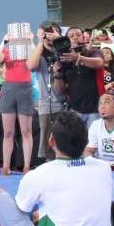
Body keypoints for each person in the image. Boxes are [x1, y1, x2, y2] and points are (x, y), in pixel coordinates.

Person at [0, 32, 35, 174]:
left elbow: (35, 63)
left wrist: (31, 41)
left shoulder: (29, 50)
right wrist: (3, 41)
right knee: (8, 132)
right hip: (9, 88)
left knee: (26, 131)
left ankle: (27, 166)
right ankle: (6, 166)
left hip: (25, 88)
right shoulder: (7, 50)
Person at [27, 22, 68, 163]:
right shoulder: (39, 52)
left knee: (66, 142)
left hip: (67, 102)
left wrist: (58, 39)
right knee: (48, 146)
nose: (50, 34)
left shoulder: (64, 48)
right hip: (47, 104)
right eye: (47, 32)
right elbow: (31, 66)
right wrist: (40, 41)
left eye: (54, 31)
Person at [52, 26, 105, 126]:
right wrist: (57, 74)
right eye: (71, 36)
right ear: (67, 40)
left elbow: (99, 63)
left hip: (95, 109)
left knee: (93, 141)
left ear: (83, 37)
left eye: (78, 35)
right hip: (75, 110)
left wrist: (78, 58)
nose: (75, 37)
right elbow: (59, 91)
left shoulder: (93, 52)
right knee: (76, 141)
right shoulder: (64, 60)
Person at [84, 93, 114, 170]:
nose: (102, 107)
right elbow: (88, 150)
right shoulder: (95, 124)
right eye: (100, 103)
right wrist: (93, 163)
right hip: (102, 165)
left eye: (107, 102)